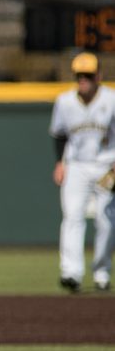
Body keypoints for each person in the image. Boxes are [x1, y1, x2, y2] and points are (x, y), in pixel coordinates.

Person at [50, 52, 115, 293]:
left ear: (98, 75)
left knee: (106, 221)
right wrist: (59, 163)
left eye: (88, 75)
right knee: (72, 217)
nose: (83, 80)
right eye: (79, 76)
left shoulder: (111, 99)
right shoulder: (65, 102)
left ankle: (101, 272)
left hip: (107, 166)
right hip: (76, 165)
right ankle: (71, 273)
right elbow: (59, 134)